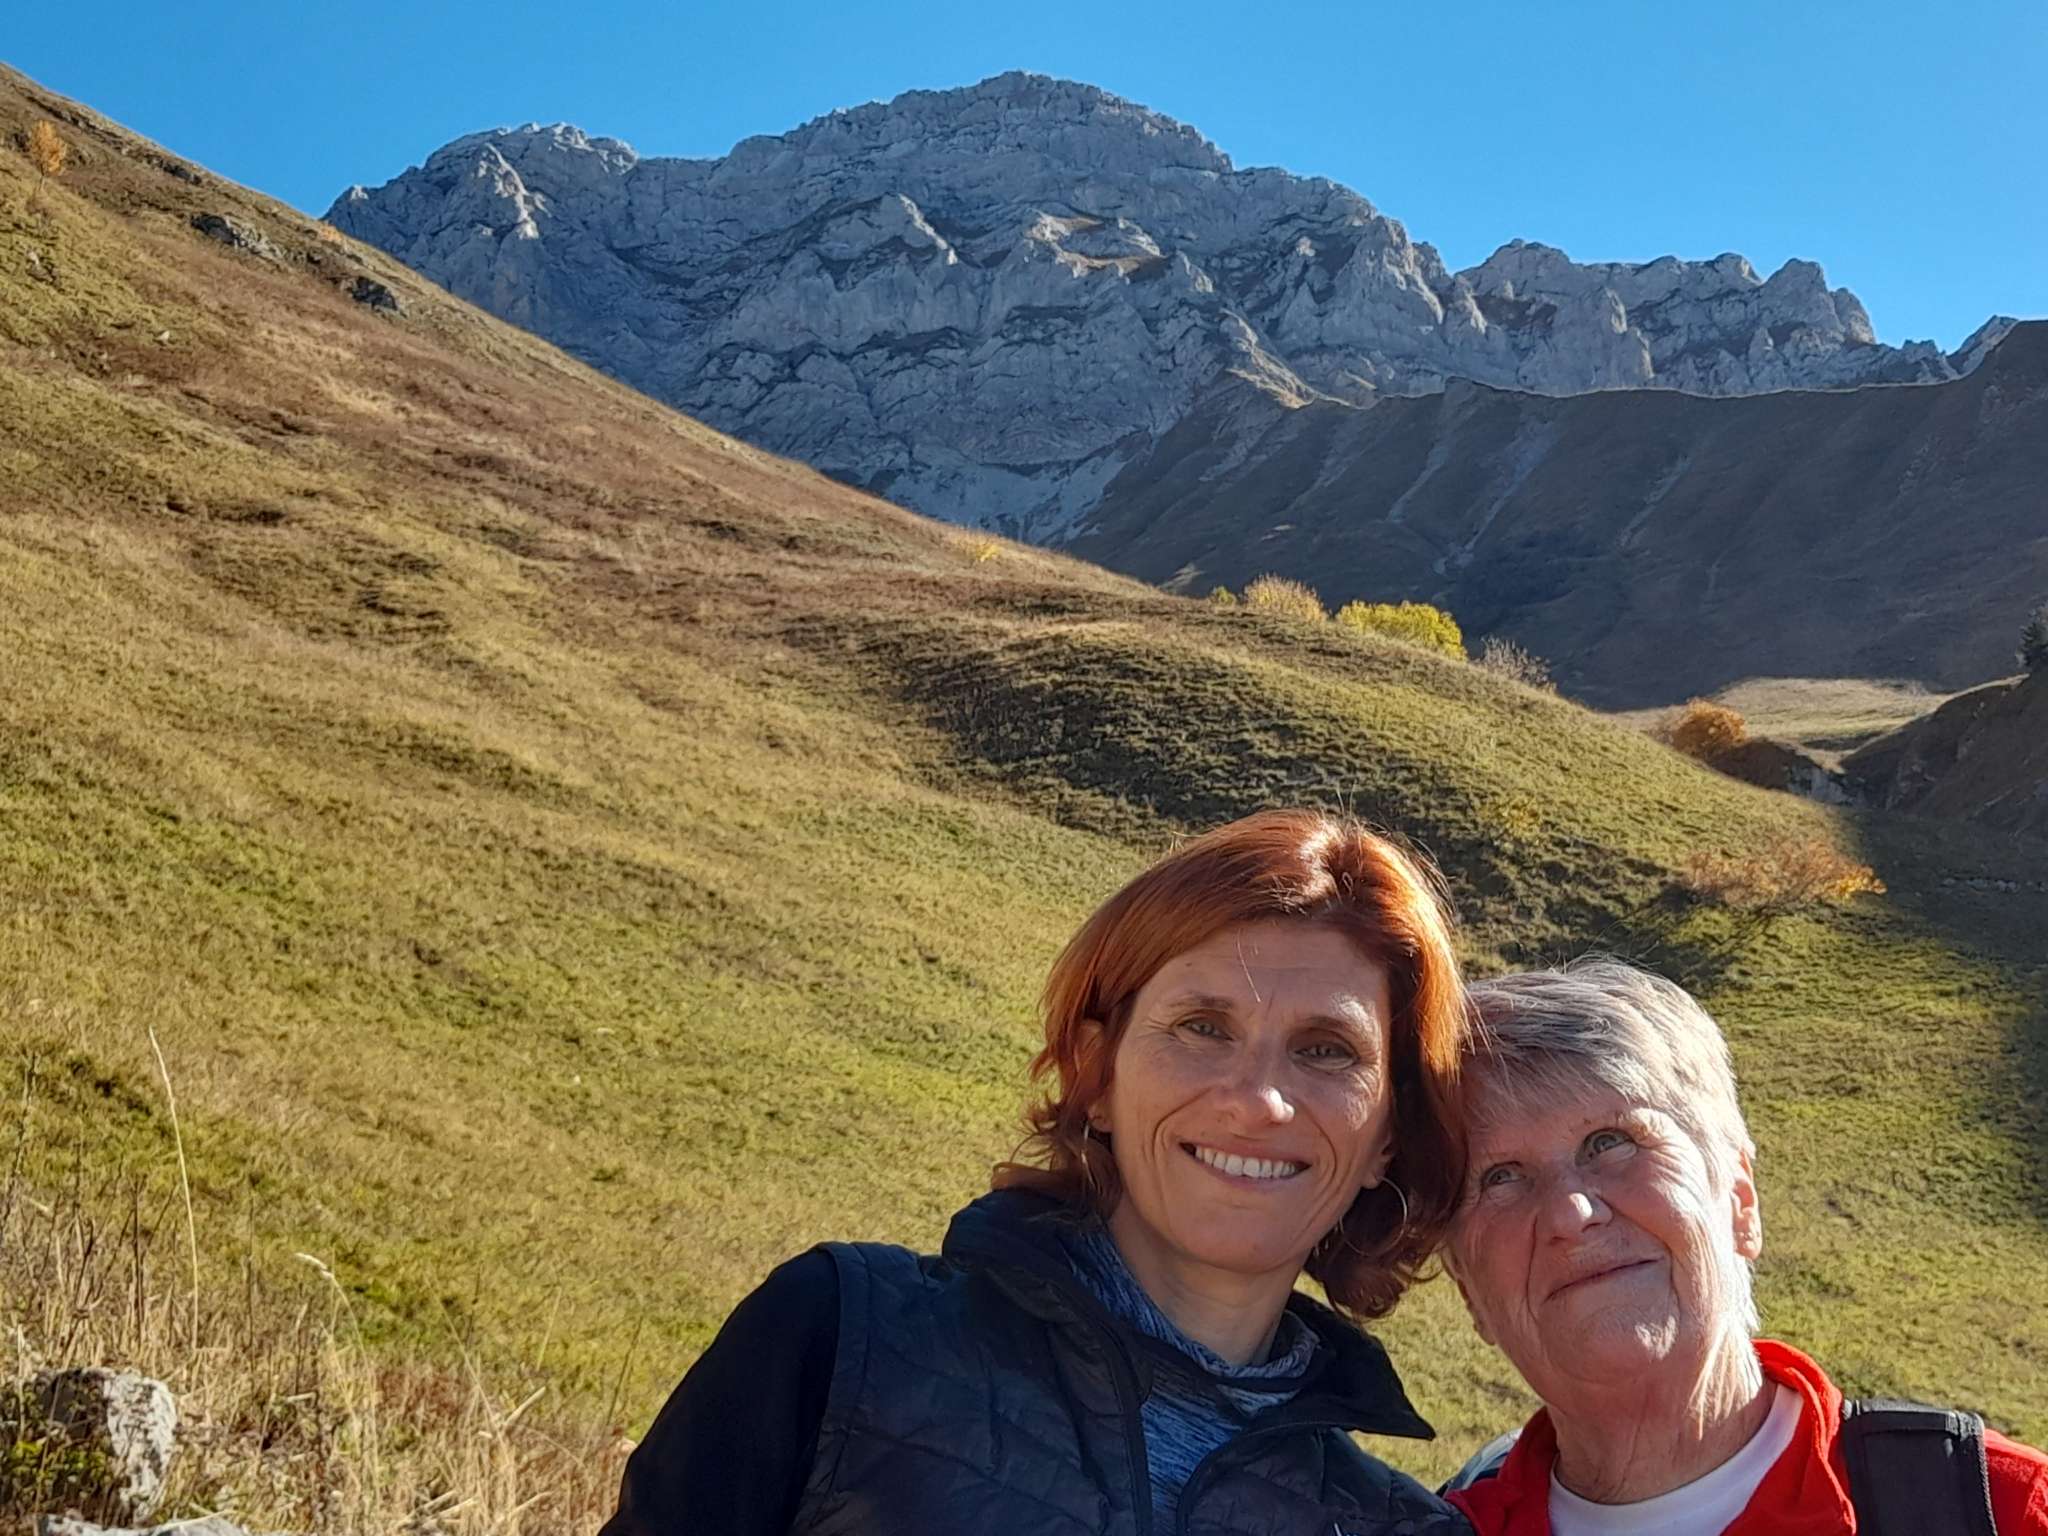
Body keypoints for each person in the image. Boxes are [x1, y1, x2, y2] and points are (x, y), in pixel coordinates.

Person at [600, 808, 1476, 1535]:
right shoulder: (839, 1339)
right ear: (1097, 1074)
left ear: (1388, 1138)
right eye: (1203, 1027)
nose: (1258, 1101)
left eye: (1326, 1050)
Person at [1441, 957, 2048, 1535]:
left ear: (1739, 1199)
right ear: (1470, 1291)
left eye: (1609, 1142)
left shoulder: (2004, 1510)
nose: (1571, 1213)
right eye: (1500, 1177)